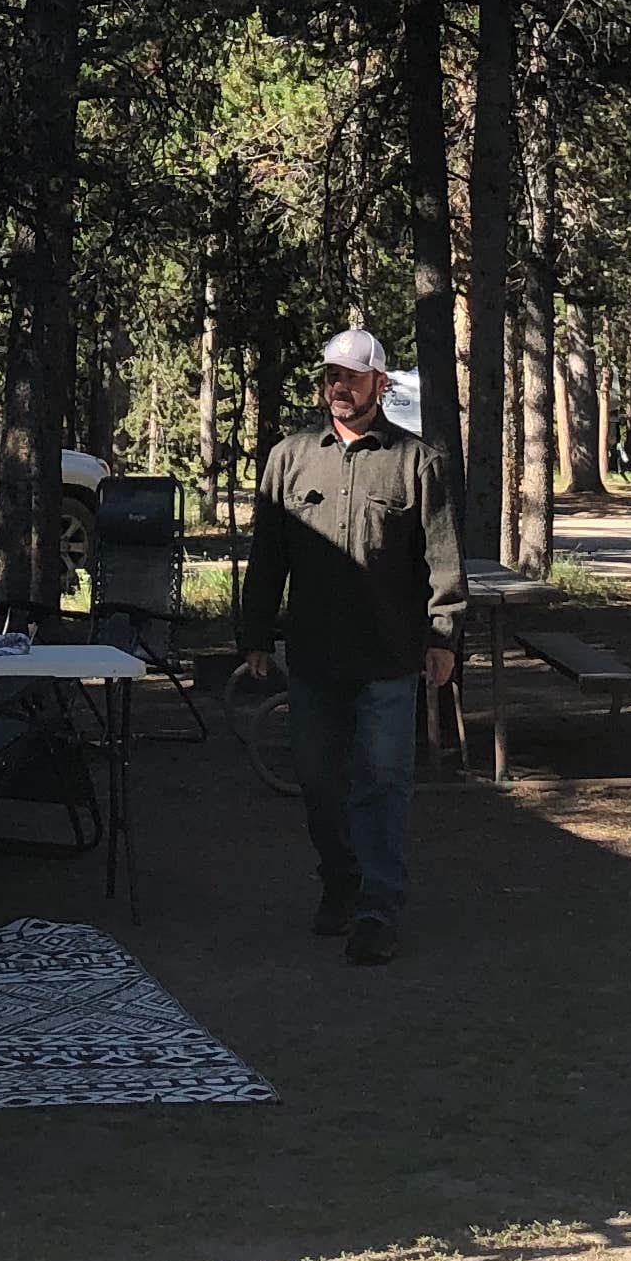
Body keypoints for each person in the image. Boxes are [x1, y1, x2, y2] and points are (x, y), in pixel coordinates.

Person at [235, 326, 463, 964]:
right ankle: (340, 880)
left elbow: (442, 560)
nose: (339, 387)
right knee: (316, 779)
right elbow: (267, 557)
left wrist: (443, 634)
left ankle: (377, 909)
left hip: (389, 656)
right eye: (332, 376)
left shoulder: (418, 462)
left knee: (383, 781)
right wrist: (254, 635)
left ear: (379, 385)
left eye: (352, 378)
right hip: (313, 656)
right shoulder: (289, 458)